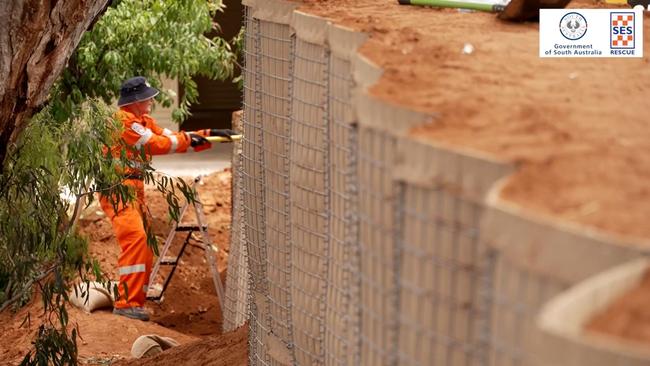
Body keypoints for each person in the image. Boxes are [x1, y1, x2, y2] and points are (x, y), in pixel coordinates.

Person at [100, 76, 236, 321]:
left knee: (144, 246)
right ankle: (126, 303)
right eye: (148, 97)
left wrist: (207, 134)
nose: (152, 100)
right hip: (117, 190)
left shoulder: (142, 121)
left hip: (132, 187)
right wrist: (191, 139)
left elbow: (170, 136)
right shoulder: (124, 123)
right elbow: (158, 144)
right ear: (135, 101)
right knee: (136, 240)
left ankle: (135, 302)